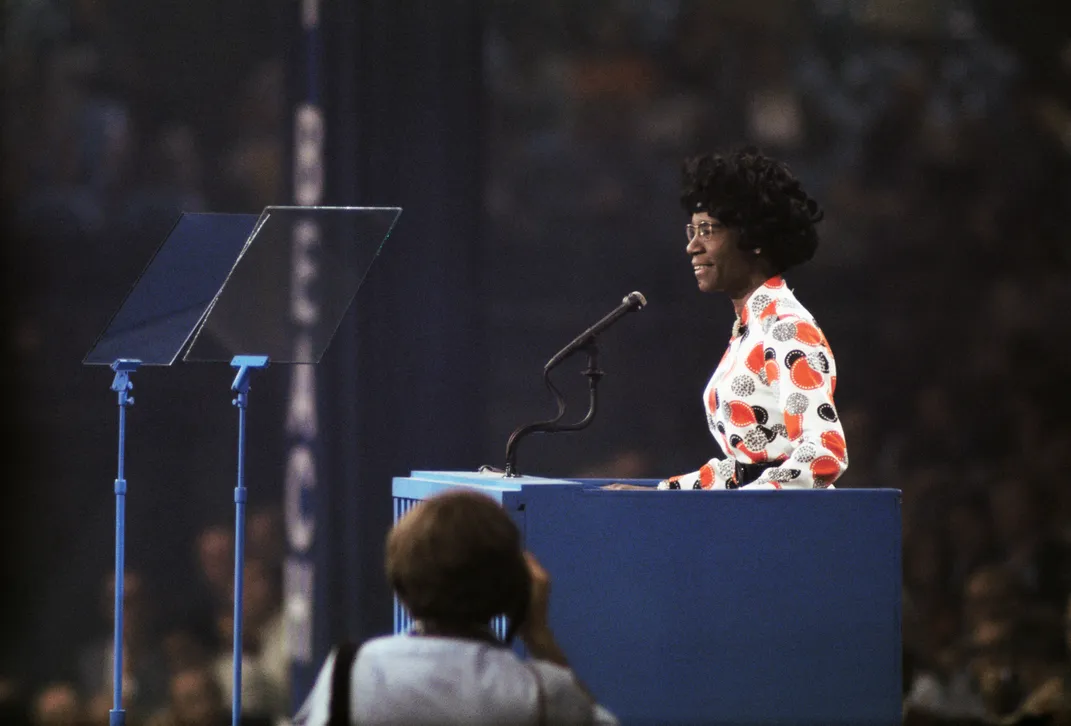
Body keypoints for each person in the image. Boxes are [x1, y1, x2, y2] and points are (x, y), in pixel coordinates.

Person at [609, 148, 847, 490]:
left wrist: (739, 511)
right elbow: (745, 470)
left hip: (787, 533)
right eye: (691, 231)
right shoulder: (751, 331)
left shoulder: (787, 330)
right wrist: (658, 495)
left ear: (755, 238)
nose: (692, 246)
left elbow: (824, 453)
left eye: (708, 231)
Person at [293, 489, 618, 725]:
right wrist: (539, 636)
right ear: (514, 587)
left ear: (400, 582)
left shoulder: (352, 672)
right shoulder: (543, 695)